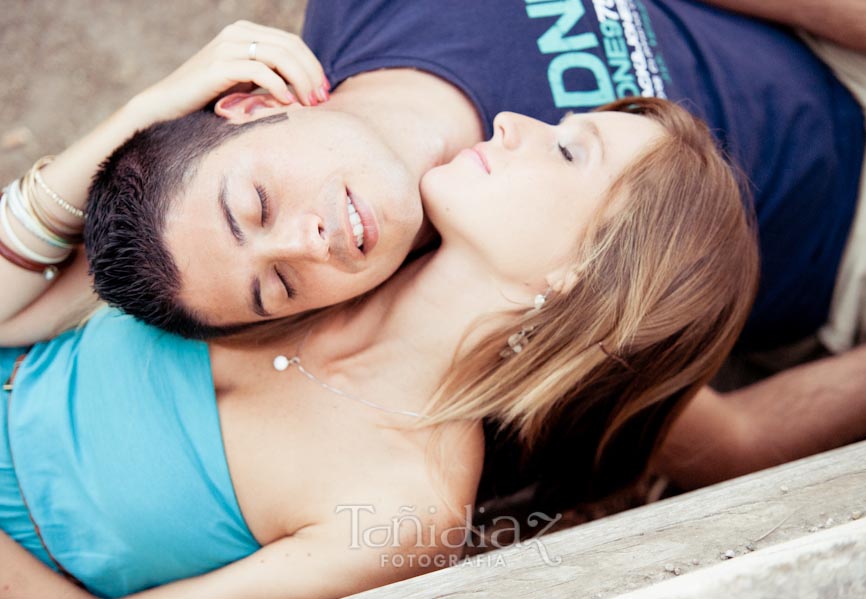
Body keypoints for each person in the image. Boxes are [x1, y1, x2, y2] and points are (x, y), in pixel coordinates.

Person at [0, 31, 757, 596]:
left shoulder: (411, 505)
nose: (515, 124)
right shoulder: (341, 231)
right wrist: (143, 116)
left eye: (567, 150)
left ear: (585, 276)